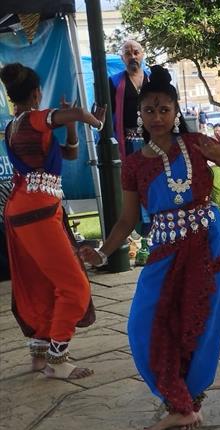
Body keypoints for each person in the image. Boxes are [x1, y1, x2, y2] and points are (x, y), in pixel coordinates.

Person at [80, 65, 220, 430]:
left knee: (202, 326)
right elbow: (127, 220)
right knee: (142, 324)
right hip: (165, 248)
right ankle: (178, 399)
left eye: (165, 109)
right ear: (140, 114)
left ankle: (188, 405)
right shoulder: (133, 164)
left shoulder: (196, 144)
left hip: (209, 242)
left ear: (176, 111)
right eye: (150, 110)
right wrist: (102, 251)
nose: (157, 116)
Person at [1, 63, 105, 380]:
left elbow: (69, 154)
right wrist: (93, 120)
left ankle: (39, 354)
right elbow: (68, 117)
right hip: (38, 211)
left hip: (22, 210)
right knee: (74, 285)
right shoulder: (34, 118)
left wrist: (73, 127)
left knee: (38, 282)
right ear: (36, 93)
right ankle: (57, 360)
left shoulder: (13, 127)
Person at [109, 39, 149, 158]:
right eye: (128, 54)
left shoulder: (153, 79)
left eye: (136, 53)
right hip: (128, 145)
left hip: (154, 140)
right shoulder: (114, 82)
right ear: (122, 58)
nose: (132, 56)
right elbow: (109, 115)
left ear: (142, 55)